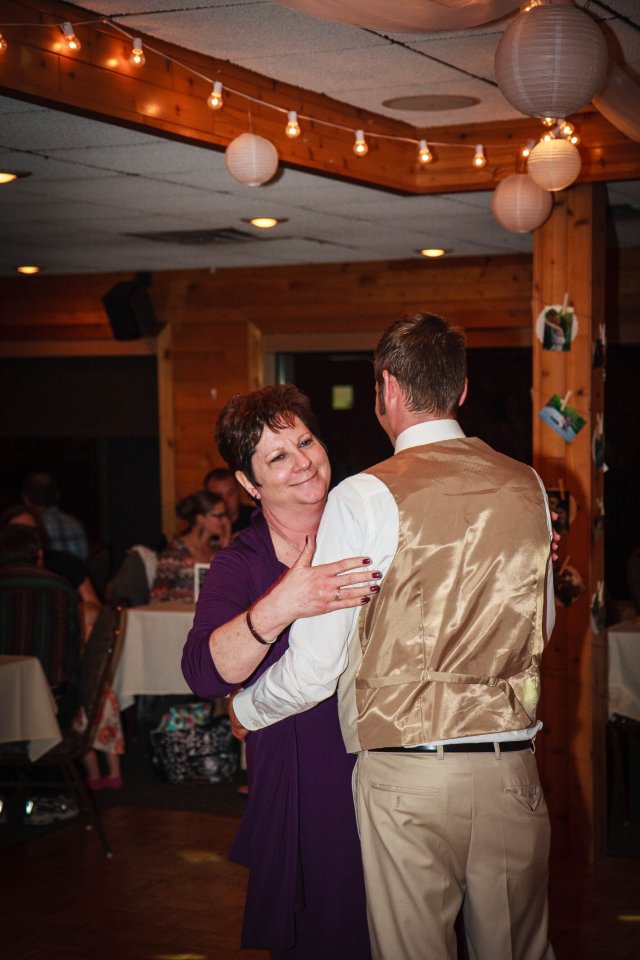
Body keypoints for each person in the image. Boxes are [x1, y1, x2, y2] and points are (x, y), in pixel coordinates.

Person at [232, 314, 557, 960]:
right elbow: (539, 626)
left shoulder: (364, 496)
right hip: (511, 769)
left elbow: (317, 666)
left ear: (386, 389)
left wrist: (245, 710)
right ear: (461, 390)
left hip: (409, 774)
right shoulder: (530, 485)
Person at [182, 384, 377, 959]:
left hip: (390, 755)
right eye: (277, 457)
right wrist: (282, 602)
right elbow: (202, 673)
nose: (303, 463)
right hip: (303, 767)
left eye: (306, 441)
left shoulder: (370, 521)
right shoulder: (241, 562)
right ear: (249, 483)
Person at [0, 504, 101, 639]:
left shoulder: (65, 564)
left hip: (55, 638)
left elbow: (95, 607)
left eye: (30, 531)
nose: (25, 537)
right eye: (17, 533)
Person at [151, 491, 232, 603]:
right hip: (180, 617)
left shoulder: (218, 549)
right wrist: (189, 597)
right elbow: (156, 596)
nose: (225, 521)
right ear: (200, 518)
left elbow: (229, 587)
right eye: (219, 516)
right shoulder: (176, 551)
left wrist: (226, 544)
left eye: (226, 515)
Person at [21, 470, 89, 560]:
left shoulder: (27, 528)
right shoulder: (75, 524)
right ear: (57, 496)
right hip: (75, 573)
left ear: (26, 499)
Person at [203, 467, 254, 534]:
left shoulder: (257, 519)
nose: (225, 501)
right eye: (217, 496)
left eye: (230, 494)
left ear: (239, 491)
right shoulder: (201, 527)